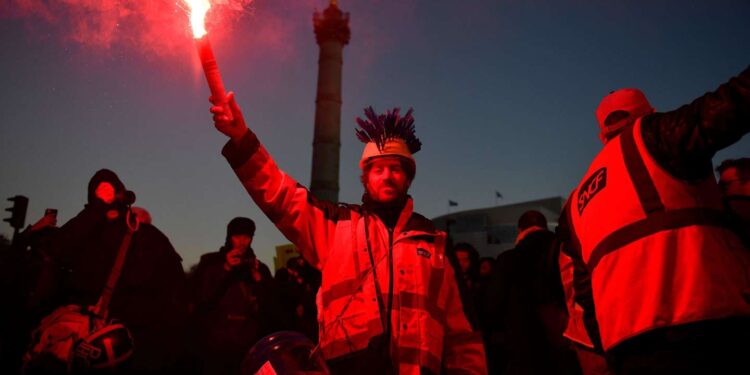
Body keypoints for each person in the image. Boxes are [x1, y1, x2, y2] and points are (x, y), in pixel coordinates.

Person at [210, 95, 487, 374]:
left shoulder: (436, 244)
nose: (387, 176)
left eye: (395, 168)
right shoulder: (334, 226)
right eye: (377, 169)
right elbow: (280, 195)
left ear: (408, 177)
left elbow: (465, 339)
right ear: (365, 177)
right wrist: (241, 139)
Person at [559, 67, 750, 374]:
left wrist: (611, 344)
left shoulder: (575, 204)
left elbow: (584, 294)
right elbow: (732, 104)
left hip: (627, 348)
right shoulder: (657, 136)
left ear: (601, 134)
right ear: (650, 113)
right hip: (707, 325)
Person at [36, 169, 189, 373]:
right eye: (99, 192)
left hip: (134, 351)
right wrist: (95, 210)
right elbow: (56, 251)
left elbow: (175, 295)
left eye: (110, 190)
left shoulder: (149, 239)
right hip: (80, 346)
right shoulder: (82, 232)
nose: (106, 195)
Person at [484, 210, 581, 375]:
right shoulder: (566, 252)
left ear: (520, 230)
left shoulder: (508, 259)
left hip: (523, 350)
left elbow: (493, 306)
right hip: (568, 346)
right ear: (544, 226)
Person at [189, 217, 281, 375]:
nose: (242, 242)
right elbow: (202, 297)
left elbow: (272, 305)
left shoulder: (260, 267)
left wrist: (258, 278)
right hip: (217, 342)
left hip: (249, 342)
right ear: (229, 237)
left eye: (247, 237)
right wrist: (225, 269)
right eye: (237, 236)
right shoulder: (210, 261)